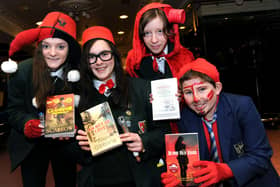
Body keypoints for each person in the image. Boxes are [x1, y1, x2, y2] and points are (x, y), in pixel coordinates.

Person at [74, 26, 171, 187]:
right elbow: (68, 151)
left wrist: (144, 142)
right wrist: (81, 146)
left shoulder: (142, 88)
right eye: (92, 57)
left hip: (139, 179)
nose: (99, 62)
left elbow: (165, 132)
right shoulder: (78, 97)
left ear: (114, 56)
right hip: (97, 180)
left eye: (104, 54)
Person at [161, 58, 280, 187]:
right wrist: (184, 178)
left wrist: (225, 170)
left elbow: (261, 156)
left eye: (202, 89)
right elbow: (193, 161)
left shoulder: (242, 106)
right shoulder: (185, 116)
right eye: (188, 92)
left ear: (217, 88)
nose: (196, 99)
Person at [3, 12, 81, 187]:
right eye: (46, 46)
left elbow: (84, 108)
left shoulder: (77, 75)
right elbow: (13, 110)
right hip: (31, 146)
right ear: (39, 47)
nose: (52, 53)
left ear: (70, 49)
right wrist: (27, 124)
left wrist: (75, 126)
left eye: (60, 47)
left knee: (67, 182)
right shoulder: (22, 71)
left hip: (65, 145)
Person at [125, 2, 194, 80]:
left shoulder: (185, 58)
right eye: (147, 33)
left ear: (169, 31)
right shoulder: (134, 62)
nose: (154, 40)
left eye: (160, 31)